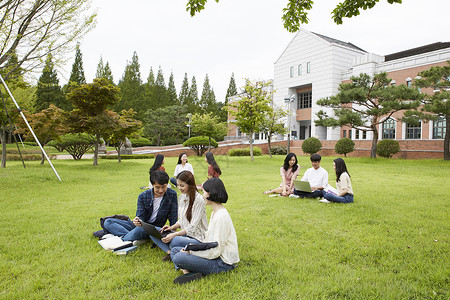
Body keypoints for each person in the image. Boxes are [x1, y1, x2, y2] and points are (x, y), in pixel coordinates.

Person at [170, 178, 239, 284]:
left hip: (222, 263)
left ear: (211, 193)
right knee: (175, 250)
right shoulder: (215, 212)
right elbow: (208, 242)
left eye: (204, 192)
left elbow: (217, 250)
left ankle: (189, 271)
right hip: (214, 256)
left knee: (179, 257)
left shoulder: (221, 216)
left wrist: (192, 252)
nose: (202, 196)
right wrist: (192, 249)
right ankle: (187, 272)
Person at [104, 170, 178, 244]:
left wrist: (173, 231)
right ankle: (134, 237)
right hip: (141, 226)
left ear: (167, 184)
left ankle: (123, 239)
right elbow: (140, 216)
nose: (161, 190)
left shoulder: (172, 194)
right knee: (108, 222)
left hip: (154, 229)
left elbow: (173, 216)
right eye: (157, 187)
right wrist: (137, 221)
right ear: (152, 185)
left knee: (141, 230)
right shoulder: (143, 196)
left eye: (163, 187)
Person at [151, 170, 208, 261]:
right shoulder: (182, 197)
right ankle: (170, 252)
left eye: (182, 185)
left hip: (198, 238)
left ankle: (174, 249)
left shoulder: (199, 200)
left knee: (175, 240)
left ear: (190, 184)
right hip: (184, 235)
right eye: (178, 185)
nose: (179, 188)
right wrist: (171, 227)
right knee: (154, 231)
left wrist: (175, 234)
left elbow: (192, 227)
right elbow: (181, 220)